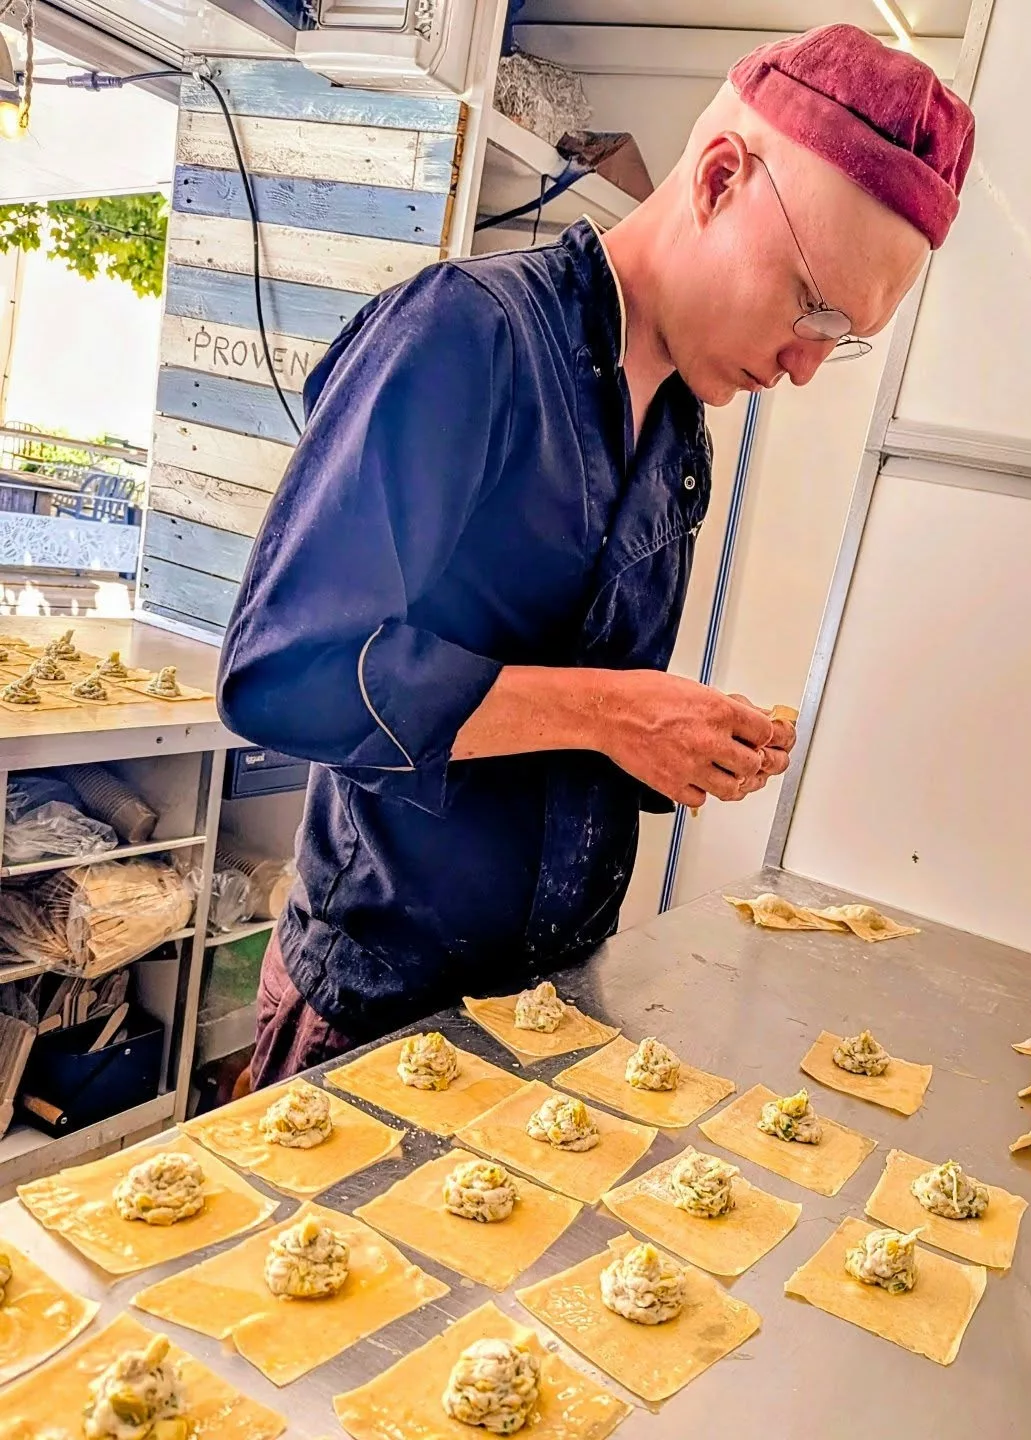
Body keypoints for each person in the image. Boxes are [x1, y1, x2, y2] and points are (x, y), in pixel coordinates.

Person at [218, 24, 975, 1089]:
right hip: (376, 1007)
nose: (805, 368)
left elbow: (575, 710)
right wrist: (616, 713)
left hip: (554, 1011)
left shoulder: (678, 435)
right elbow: (281, 676)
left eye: (840, 338)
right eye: (813, 310)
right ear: (719, 178)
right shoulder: (465, 337)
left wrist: (676, 742)